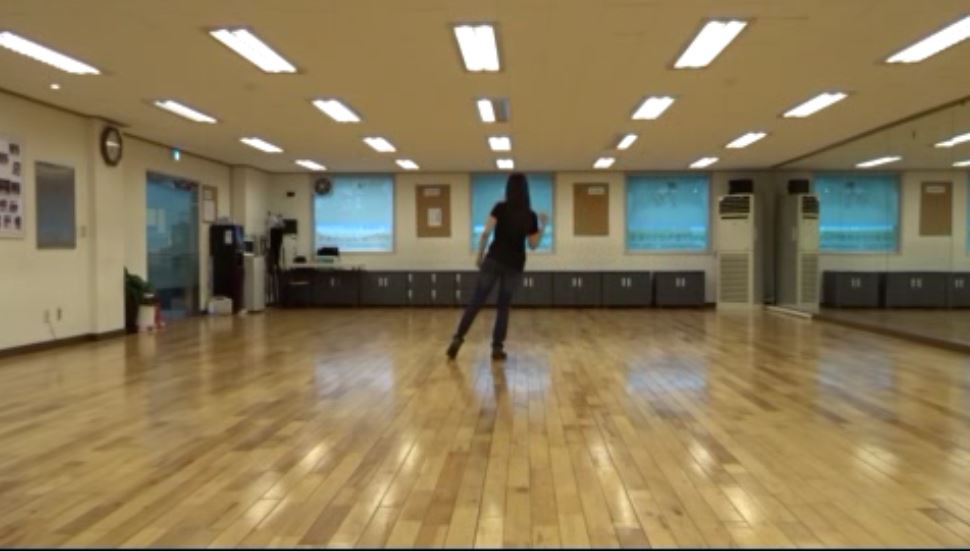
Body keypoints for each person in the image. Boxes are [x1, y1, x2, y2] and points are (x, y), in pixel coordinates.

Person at [447, 172, 548, 361]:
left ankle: (458, 338)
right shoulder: (530, 215)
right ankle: (497, 348)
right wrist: (543, 226)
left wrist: (479, 255)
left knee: (476, 301)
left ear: (508, 189)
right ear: (526, 191)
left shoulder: (500, 208)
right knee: (503, 307)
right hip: (514, 265)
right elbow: (533, 245)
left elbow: (486, 233)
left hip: (493, 260)